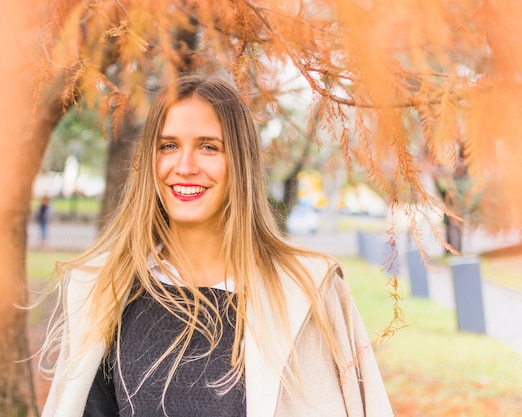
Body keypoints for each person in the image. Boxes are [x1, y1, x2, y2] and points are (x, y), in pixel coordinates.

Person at [40, 75, 394, 417]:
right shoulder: (106, 289)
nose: (185, 166)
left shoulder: (307, 289)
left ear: (239, 162)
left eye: (208, 147)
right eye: (169, 146)